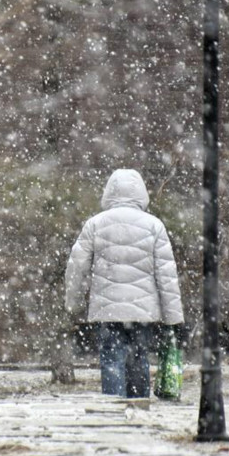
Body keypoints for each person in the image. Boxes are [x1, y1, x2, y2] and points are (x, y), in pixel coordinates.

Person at [64, 169, 184, 398]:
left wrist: (73, 301)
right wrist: (173, 317)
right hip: (142, 310)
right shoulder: (154, 226)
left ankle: (113, 408)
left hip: (107, 309)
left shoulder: (95, 224)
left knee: (111, 356)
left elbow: (75, 267)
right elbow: (166, 275)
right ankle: (138, 406)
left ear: (109, 192)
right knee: (139, 356)